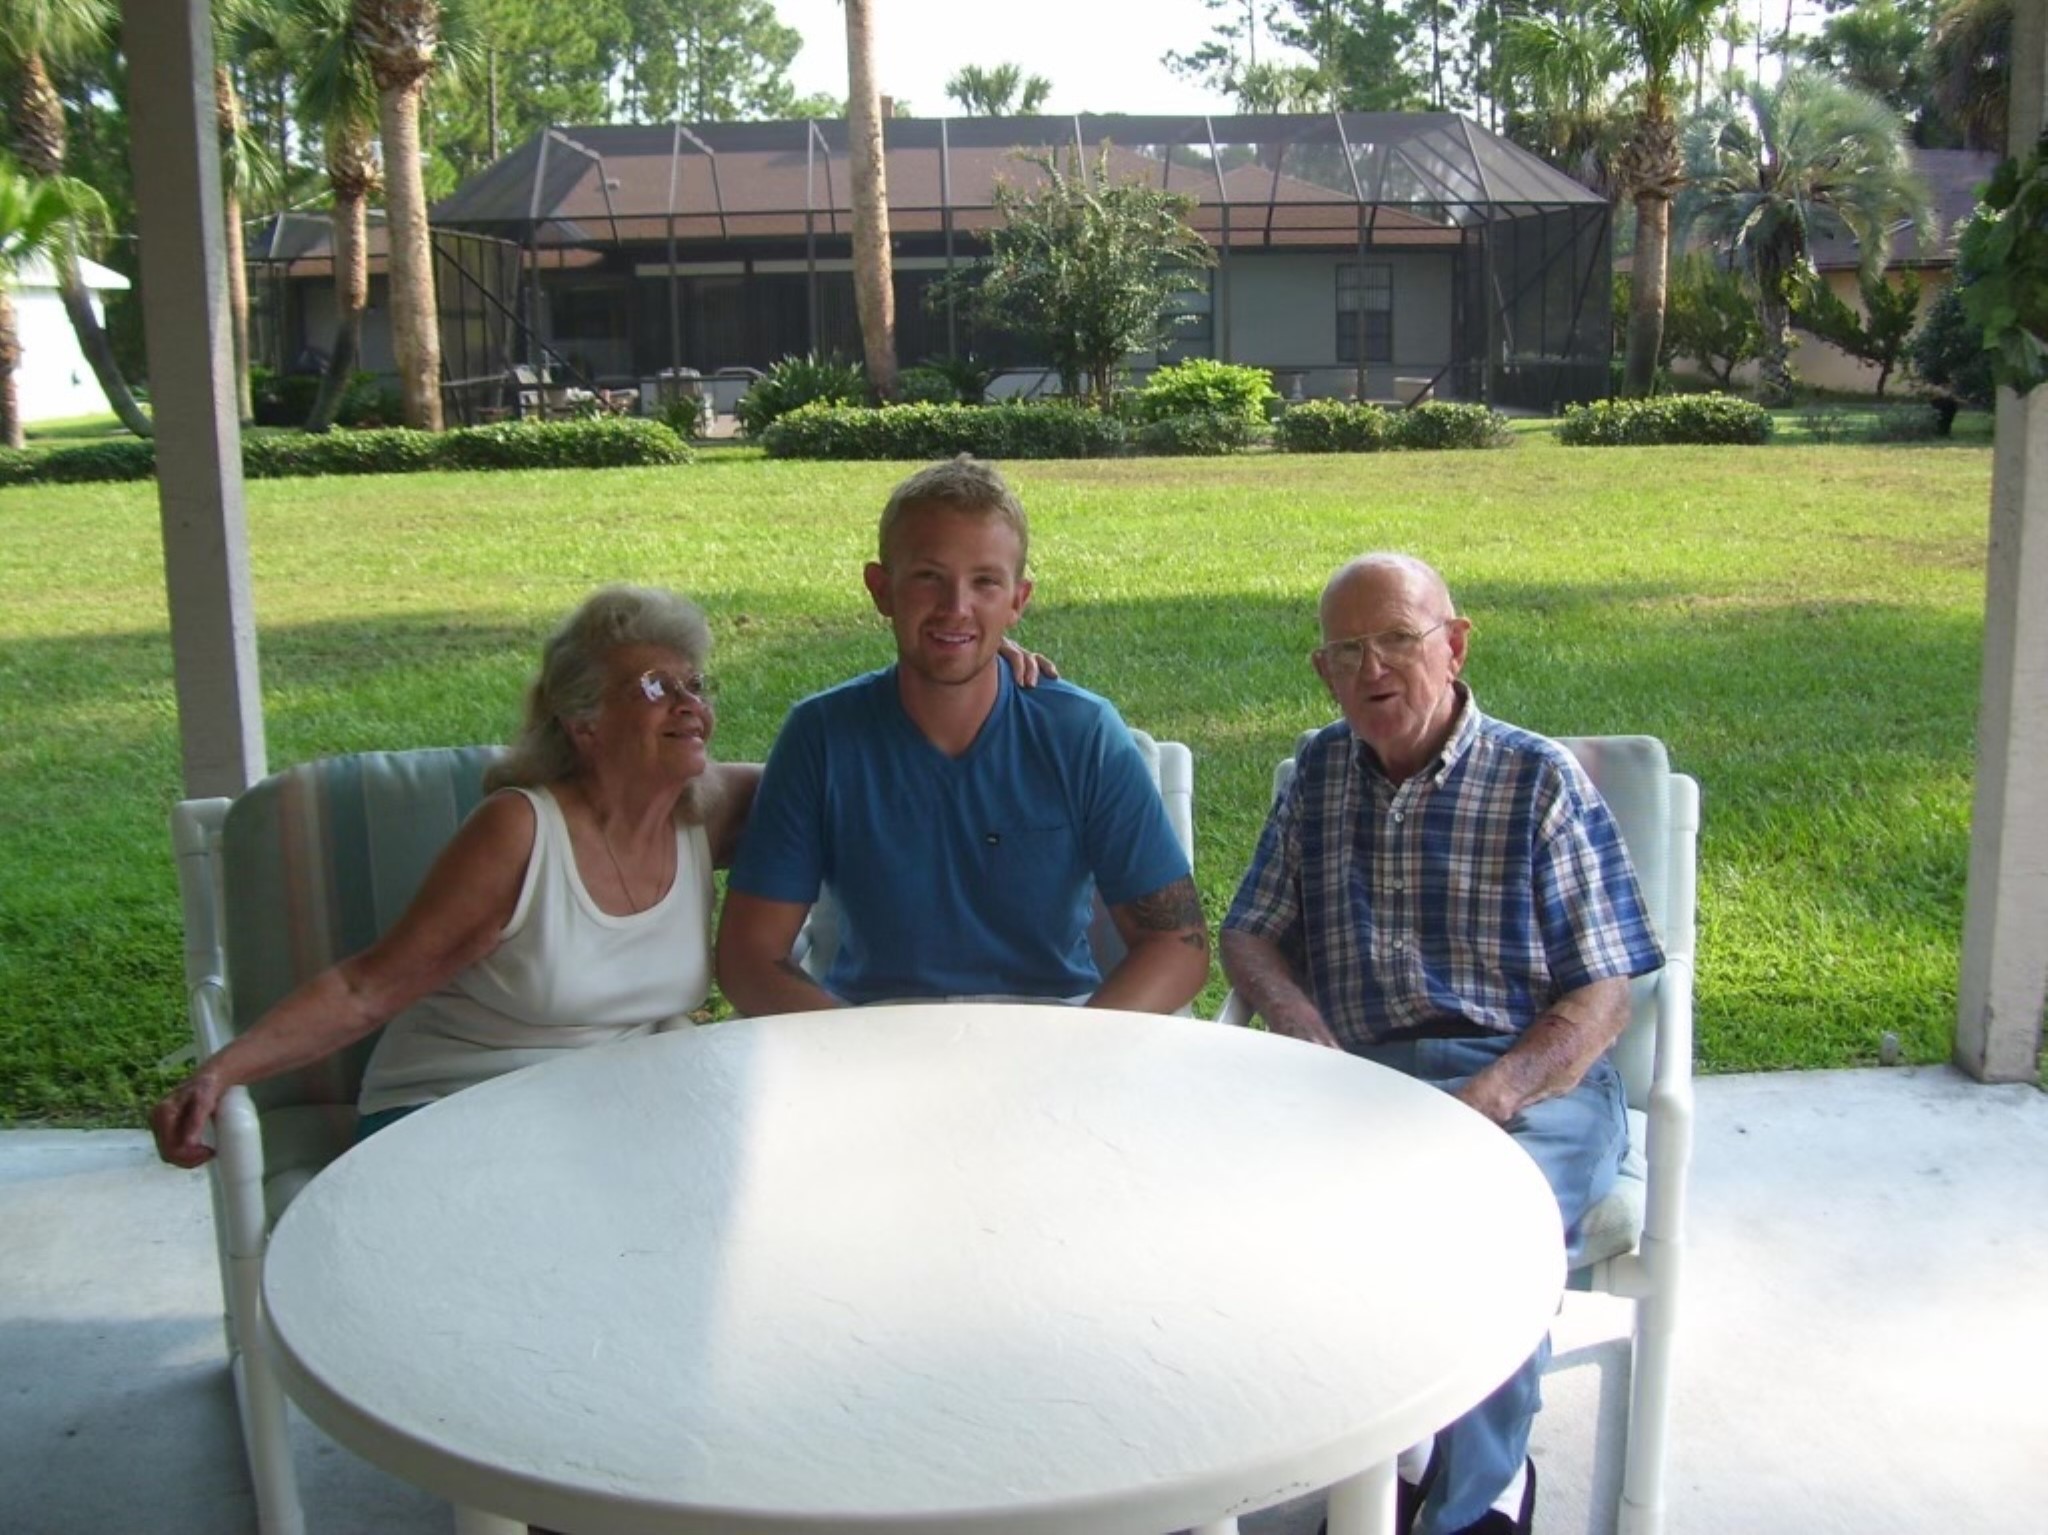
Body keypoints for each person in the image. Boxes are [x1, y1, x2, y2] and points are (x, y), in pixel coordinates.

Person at [1219, 553, 1664, 1535]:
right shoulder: (1316, 773)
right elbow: (1248, 932)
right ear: (1323, 672)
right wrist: (1298, 1023)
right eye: (1346, 651)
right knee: (1288, 1240)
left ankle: (1469, 1499)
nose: (1372, 667)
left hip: (1530, 1082)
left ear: (1454, 645)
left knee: (1485, 1243)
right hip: (1362, 1082)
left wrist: (1493, 1094)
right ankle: (1394, 1467)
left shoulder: (1537, 778)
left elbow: (1604, 990)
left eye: (1398, 639)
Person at [150, 584, 759, 1165]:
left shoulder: (709, 813)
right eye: (654, 687)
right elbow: (368, 988)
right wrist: (220, 1072)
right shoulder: (521, 831)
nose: (690, 705)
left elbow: (816, 775)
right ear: (584, 722)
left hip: (607, 1109)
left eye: (695, 685)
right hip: (457, 1105)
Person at [716, 455, 1208, 1016]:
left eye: (985, 582)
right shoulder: (822, 736)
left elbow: (1179, 944)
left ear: (1018, 600)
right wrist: (854, 1051)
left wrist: (1078, 1049)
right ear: (881, 588)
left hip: (1050, 1021)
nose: (956, 608)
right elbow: (748, 956)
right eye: (929, 577)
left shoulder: (1082, 733)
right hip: (876, 1023)